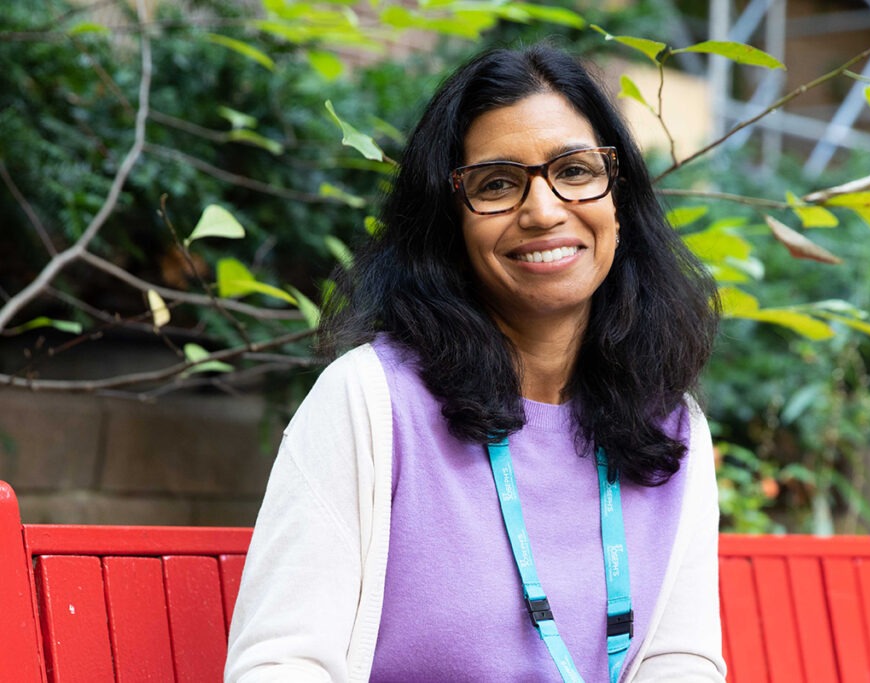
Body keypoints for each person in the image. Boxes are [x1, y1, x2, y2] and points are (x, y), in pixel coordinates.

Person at [225, 43, 725, 682]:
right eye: (497, 183)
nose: (543, 210)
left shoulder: (669, 425)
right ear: (449, 223)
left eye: (574, 170)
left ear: (619, 196)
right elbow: (281, 665)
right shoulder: (370, 402)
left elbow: (677, 659)